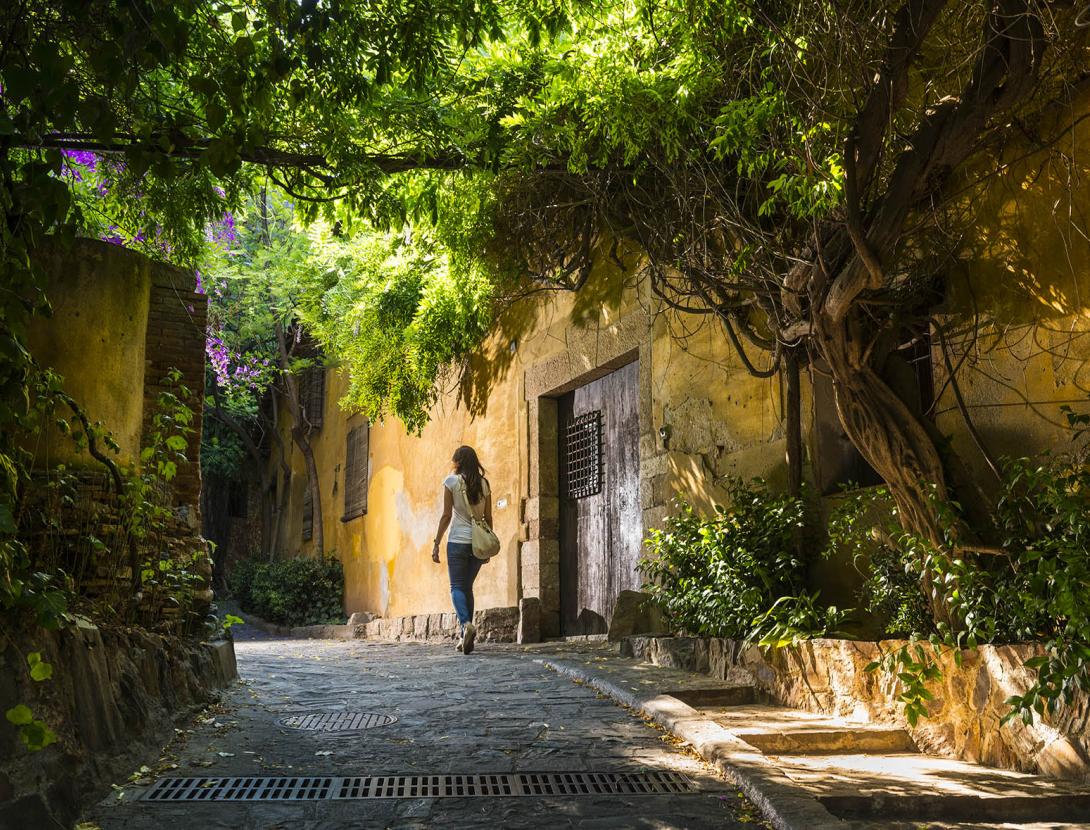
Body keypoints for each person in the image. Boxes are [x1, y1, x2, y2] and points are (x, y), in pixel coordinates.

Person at [432, 445, 493, 655]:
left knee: (457, 587)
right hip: (477, 543)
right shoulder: (484, 484)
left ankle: (466, 624)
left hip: (457, 541)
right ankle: (465, 638)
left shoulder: (451, 482)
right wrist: (486, 546)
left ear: (458, 462)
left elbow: (446, 516)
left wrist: (436, 542)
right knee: (467, 588)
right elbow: (489, 517)